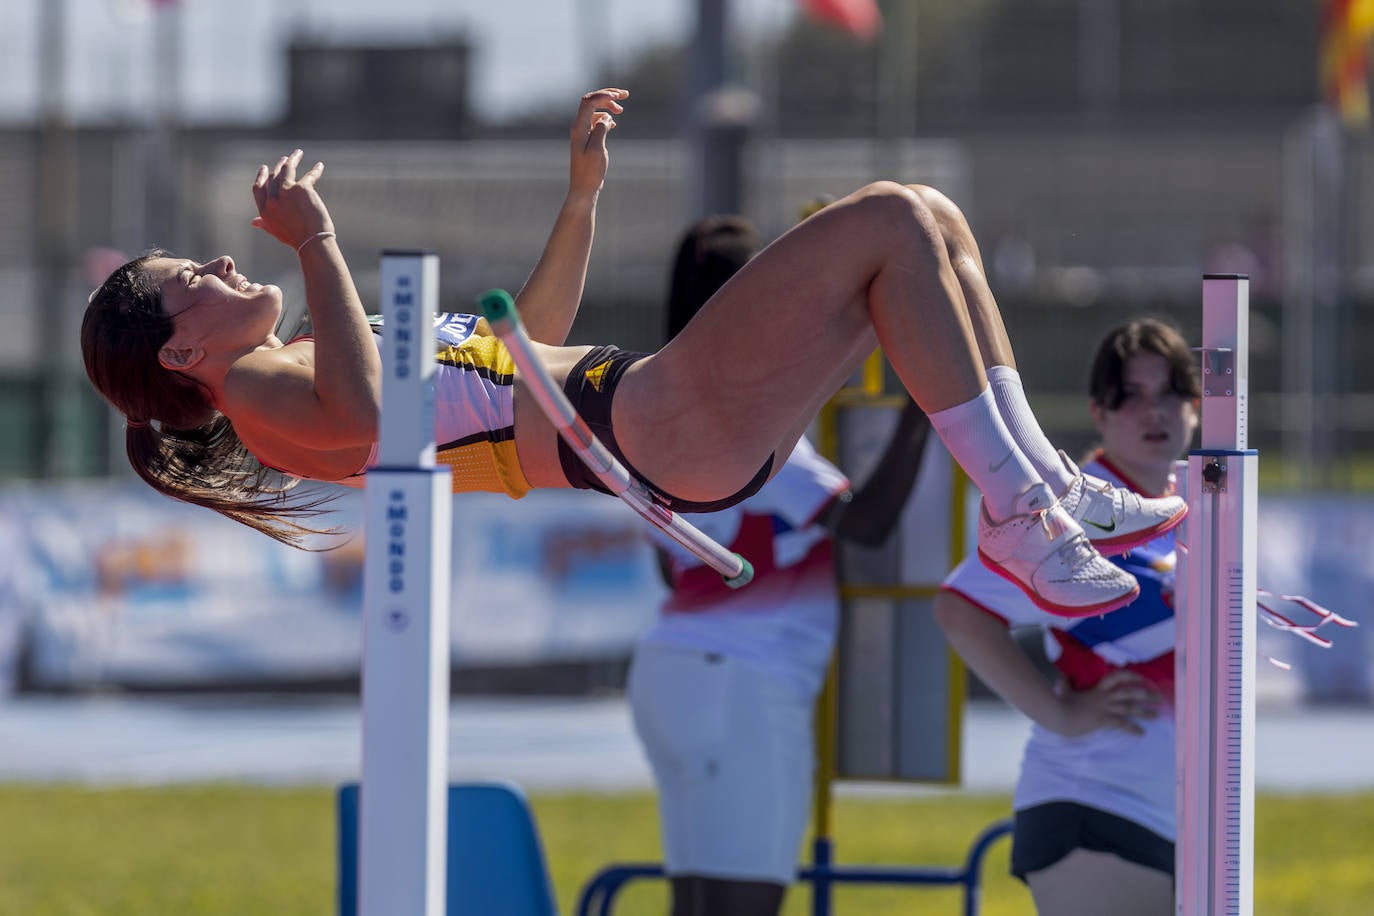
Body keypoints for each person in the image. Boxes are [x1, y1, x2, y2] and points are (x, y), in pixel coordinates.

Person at [80, 87, 1186, 618]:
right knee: (893, 216)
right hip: (650, 421)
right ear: (183, 351)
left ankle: (1043, 493)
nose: (225, 266)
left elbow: (538, 344)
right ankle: (1021, 517)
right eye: (195, 279)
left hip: (645, 416)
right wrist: (317, 242)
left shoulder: (313, 356)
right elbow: (378, 424)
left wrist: (580, 198)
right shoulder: (275, 395)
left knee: (926, 227)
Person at [628, 215, 932, 916]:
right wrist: (924, 404)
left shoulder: (647, 408)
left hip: (671, 673)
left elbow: (673, 574)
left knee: (697, 905)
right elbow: (868, 525)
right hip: (742, 685)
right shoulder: (750, 425)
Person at [932, 318, 1201, 916]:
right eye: (1130, 395)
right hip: (1095, 806)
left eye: (1170, 393)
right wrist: (1058, 711)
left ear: (1195, 407)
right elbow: (959, 609)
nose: (1153, 412)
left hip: (1181, 818)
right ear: (1099, 413)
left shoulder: (1197, 508)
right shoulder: (1080, 510)